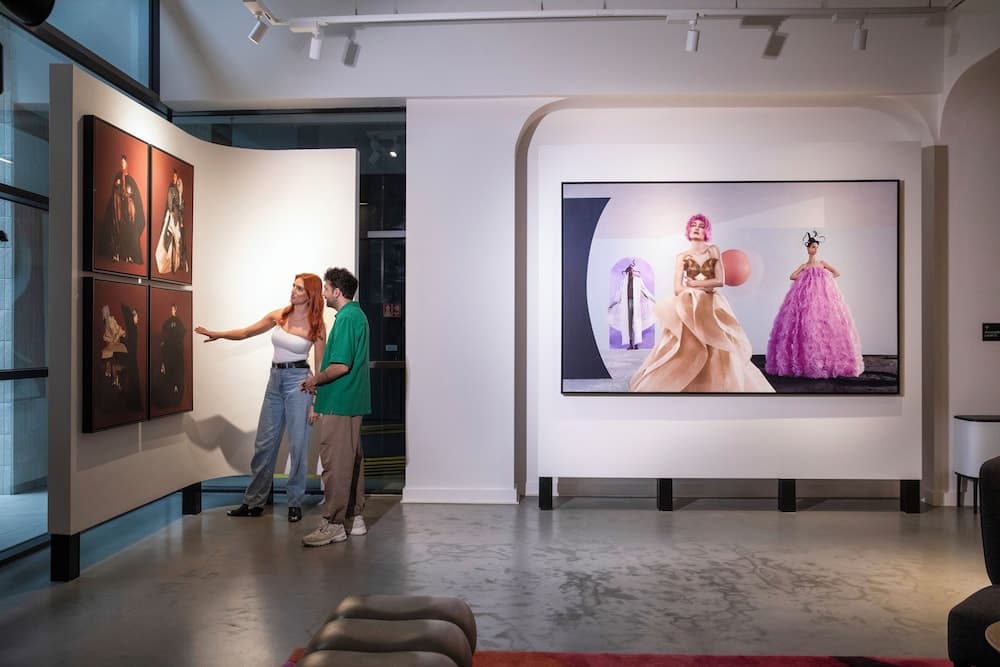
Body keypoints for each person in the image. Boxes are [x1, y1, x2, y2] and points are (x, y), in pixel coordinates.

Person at [194, 273, 326, 523]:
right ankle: (254, 502)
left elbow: (320, 366)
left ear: (310, 294)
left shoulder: (317, 325)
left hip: (299, 383)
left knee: (298, 447)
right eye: (293, 286)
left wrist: (316, 403)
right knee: (264, 444)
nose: (293, 290)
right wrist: (219, 334)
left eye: (299, 288)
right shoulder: (280, 315)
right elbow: (246, 332)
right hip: (274, 381)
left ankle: (294, 503)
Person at [629, 213, 774, 393]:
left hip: (711, 304)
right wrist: (701, 288)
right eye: (694, 225)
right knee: (686, 346)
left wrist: (695, 284)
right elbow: (677, 288)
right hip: (689, 304)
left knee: (717, 344)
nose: (697, 228)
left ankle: (715, 383)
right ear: (688, 230)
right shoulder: (682, 256)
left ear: (706, 231)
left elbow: (720, 281)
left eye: (701, 226)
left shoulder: (713, 250)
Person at [300, 267, 371, 547]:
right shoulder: (357, 315)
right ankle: (354, 517)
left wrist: (314, 380)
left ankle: (334, 523)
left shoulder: (346, 319)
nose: (324, 294)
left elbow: (341, 365)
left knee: (336, 465)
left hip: (340, 402)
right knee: (351, 461)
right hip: (349, 401)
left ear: (337, 292)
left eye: (326, 289)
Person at [765, 231, 864, 378]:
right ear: (808, 248)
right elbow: (792, 276)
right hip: (806, 299)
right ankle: (805, 362)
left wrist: (824, 278)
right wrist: (805, 277)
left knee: (823, 325)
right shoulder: (805, 266)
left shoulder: (822, 263)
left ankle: (825, 361)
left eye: (816, 247)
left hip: (822, 298)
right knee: (806, 325)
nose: (815, 249)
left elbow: (836, 273)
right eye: (813, 247)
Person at [100, 153, 145, 265]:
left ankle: (129, 255)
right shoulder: (118, 176)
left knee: (129, 230)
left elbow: (135, 195)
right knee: (116, 229)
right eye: (121, 162)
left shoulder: (130, 179)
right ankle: (116, 254)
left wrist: (130, 194)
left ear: (127, 163)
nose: (122, 164)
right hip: (118, 209)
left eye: (124, 162)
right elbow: (114, 192)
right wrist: (117, 185)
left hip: (127, 211)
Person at [608, 260, 656, 349]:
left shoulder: (638, 280)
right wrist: (612, 304)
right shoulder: (623, 282)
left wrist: (653, 300)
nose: (631, 272)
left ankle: (636, 344)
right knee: (628, 323)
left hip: (636, 303)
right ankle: (630, 344)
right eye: (630, 271)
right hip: (627, 304)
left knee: (636, 322)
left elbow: (644, 290)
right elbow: (619, 294)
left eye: (632, 271)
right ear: (627, 272)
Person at [153, 303, 185, 407]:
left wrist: (177, 342)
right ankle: (168, 395)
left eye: (173, 309)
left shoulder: (179, 322)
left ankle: (176, 395)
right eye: (171, 309)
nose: (172, 311)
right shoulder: (168, 322)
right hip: (169, 351)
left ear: (176, 310)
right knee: (168, 372)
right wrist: (165, 341)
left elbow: (182, 332)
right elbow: (164, 330)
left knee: (177, 372)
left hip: (176, 351)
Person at [154, 169, 186, 275]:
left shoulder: (178, 191)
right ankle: (170, 263)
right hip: (172, 216)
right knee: (170, 238)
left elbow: (181, 207)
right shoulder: (171, 189)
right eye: (174, 177)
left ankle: (176, 263)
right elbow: (169, 202)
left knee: (178, 240)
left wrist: (180, 195)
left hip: (177, 217)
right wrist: (171, 210)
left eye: (176, 177)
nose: (174, 179)